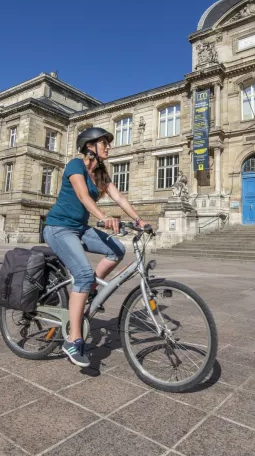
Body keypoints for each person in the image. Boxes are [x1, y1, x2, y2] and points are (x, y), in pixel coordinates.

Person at [43, 127, 149, 367]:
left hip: (79, 229)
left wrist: (138, 220)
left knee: (117, 250)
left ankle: (89, 288)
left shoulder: (100, 173)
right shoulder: (74, 165)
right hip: (59, 228)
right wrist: (103, 218)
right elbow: (83, 196)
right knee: (81, 272)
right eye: (105, 143)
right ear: (90, 146)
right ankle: (73, 340)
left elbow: (119, 197)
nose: (109, 147)